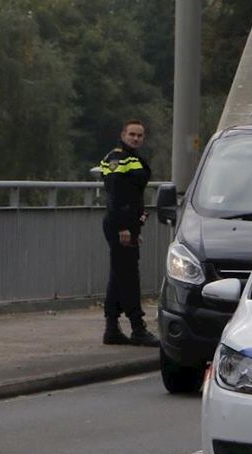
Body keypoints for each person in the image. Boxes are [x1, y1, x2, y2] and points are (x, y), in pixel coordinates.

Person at [99, 119, 159, 347]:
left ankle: (112, 328)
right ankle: (137, 328)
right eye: (132, 134)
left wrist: (135, 229)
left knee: (118, 276)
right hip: (118, 225)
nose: (136, 138)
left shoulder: (132, 158)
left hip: (127, 226)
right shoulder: (118, 158)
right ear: (122, 134)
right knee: (129, 277)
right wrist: (123, 227)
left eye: (140, 135)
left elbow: (133, 197)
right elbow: (116, 195)